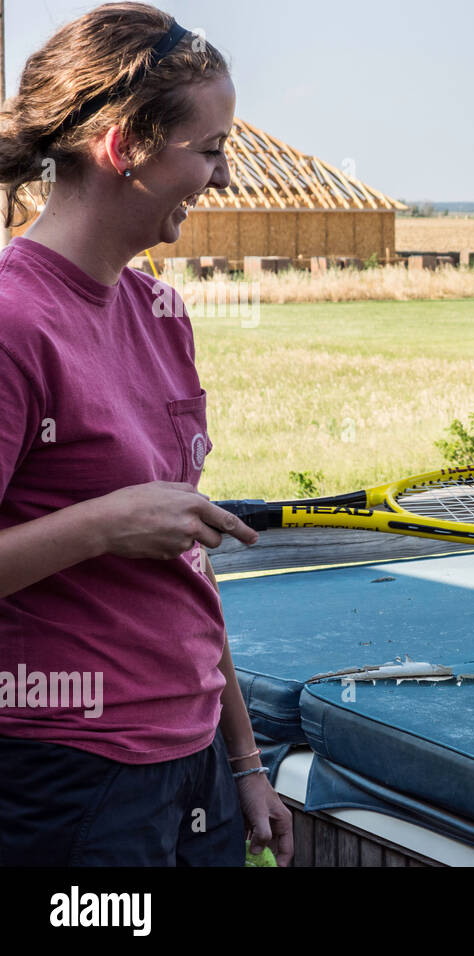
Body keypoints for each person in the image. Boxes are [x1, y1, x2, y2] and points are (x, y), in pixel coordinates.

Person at [0, 2, 292, 866]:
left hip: (191, 756)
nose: (225, 175)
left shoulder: (158, 310)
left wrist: (241, 759)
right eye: (207, 149)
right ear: (123, 148)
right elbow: (133, 522)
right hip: (67, 775)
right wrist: (106, 524)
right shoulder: (14, 322)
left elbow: (182, 557)